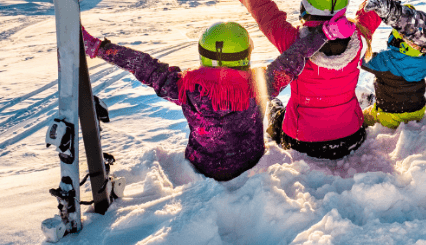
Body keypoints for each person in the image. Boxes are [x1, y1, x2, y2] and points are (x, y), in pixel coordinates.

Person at [202, 0, 426, 159]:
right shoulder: (359, 36)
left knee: (276, 108)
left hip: (302, 141)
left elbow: (260, 7)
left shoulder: (292, 43)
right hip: (351, 137)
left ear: (306, 6)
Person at [80, 18, 352, 181]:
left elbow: (143, 65)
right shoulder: (260, 85)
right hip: (250, 162)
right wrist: (324, 34)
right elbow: (294, 58)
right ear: (245, 55)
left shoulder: (184, 86)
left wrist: (100, 48)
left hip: (203, 165)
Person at [361, 8, 426, 128]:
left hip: (389, 115)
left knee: (362, 117)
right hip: (417, 112)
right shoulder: (425, 57)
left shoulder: (385, 60)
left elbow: (362, 61)